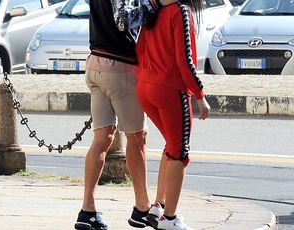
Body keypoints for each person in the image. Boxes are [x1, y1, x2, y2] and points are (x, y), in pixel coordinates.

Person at [73, 0, 175, 230]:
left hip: (95, 64)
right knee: (137, 137)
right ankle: (141, 207)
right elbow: (123, 20)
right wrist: (155, 5)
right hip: (121, 68)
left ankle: (87, 209)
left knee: (102, 138)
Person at [135, 0, 211, 229]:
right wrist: (200, 95)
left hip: (145, 86)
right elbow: (185, 59)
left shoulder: (152, 10)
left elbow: (139, 50)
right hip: (170, 89)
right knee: (179, 153)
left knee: (171, 146)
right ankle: (169, 217)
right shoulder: (180, 11)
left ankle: (159, 205)